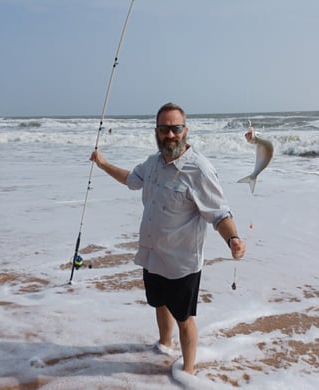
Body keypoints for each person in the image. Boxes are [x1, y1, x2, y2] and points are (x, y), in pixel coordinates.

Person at [90, 102, 245, 374]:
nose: (170, 135)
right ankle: (164, 345)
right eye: (164, 129)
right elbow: (131, 179)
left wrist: (233, 238)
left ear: (186, 130)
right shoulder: (152, 164)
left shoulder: (200, 169)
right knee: (159, 304)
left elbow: (219, 213)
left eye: (176, 128)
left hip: (181, 262)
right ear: (156, 131)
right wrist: (103, 164)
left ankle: (188, 372)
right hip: (153, 256)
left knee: (185, 318)